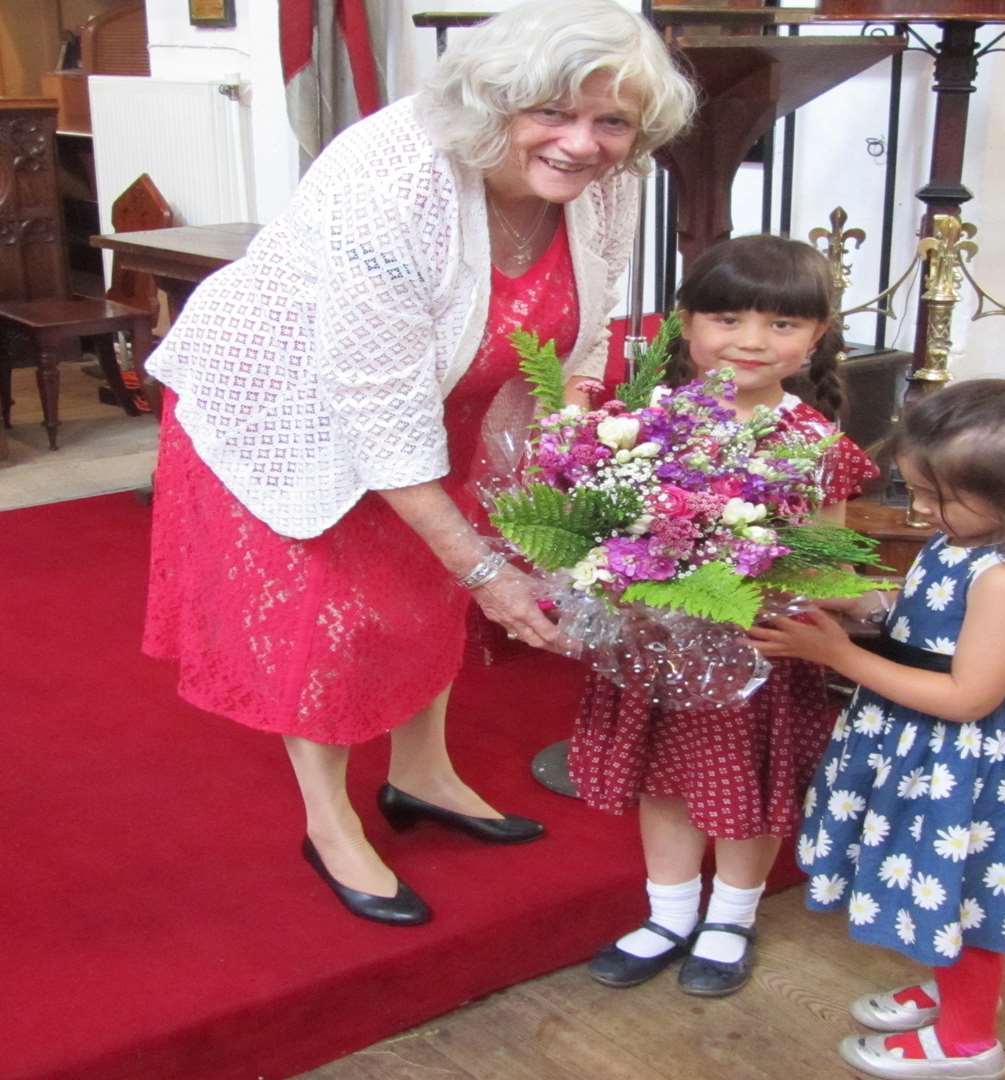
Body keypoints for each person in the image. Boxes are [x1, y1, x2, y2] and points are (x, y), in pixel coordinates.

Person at [139, 2, 695, 927]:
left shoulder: (608, 175)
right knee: (337, 617)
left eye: (612, 121)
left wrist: (571, 439)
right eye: (552, 113)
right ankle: (329, 821)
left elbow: (586, 325)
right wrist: (487, 570)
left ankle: (423, 773)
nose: (582, 143)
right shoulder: (392, 176)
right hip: (297, 404)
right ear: (496, 104)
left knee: (424, 598)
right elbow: (372, 405)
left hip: (450, 399)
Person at [748, 379, 1005, 1080]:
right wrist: (861, 602)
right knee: (925, 881)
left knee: (961, 892)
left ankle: (970, 1042)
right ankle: (948, 990)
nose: (918, 508)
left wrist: (839, 656)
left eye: (938, 496)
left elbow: (969, 695)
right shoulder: (970, 536)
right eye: (913, 487)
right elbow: (928, 610)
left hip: (966, 762)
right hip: (925, 749)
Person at [570, 235, 881, 996]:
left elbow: (830, 557)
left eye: (781, 324)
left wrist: (807, 591)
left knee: (750, 789)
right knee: (666, 780)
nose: (750, 341)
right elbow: (606, 528)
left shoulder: (813, 442)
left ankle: (731, 917)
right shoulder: (643, 425)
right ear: (684, 324)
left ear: (814, 340)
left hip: (760, 652)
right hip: (661, 648)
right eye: (729, 317)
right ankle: (669, 913)